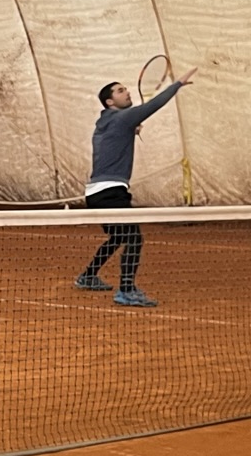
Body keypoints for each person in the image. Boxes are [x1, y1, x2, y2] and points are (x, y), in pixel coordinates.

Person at [75, 68, 196, 308]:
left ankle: (88, 276)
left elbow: (114, 139)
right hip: (111, 192)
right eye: (120, 91)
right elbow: (153, 106)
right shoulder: (122, 118)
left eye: (126, 89)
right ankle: (126, 290)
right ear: (110, 102)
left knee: (119, 236)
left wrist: (130, 129)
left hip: (96, 193)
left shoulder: (105, 123)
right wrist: (177, 84)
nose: (127, 92)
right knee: (134, 238)